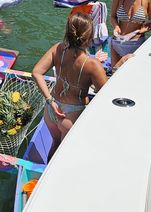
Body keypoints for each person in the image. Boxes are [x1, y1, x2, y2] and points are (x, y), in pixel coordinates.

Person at [31, 13, 107, 159]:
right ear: (89, 36)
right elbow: (106, 94)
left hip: (51, 110)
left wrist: (50, 100)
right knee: (67, 157)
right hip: (71, 115)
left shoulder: (58, 48)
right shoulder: (92, 65)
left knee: (55, 145)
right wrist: (120, 64)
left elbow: (36, 72)